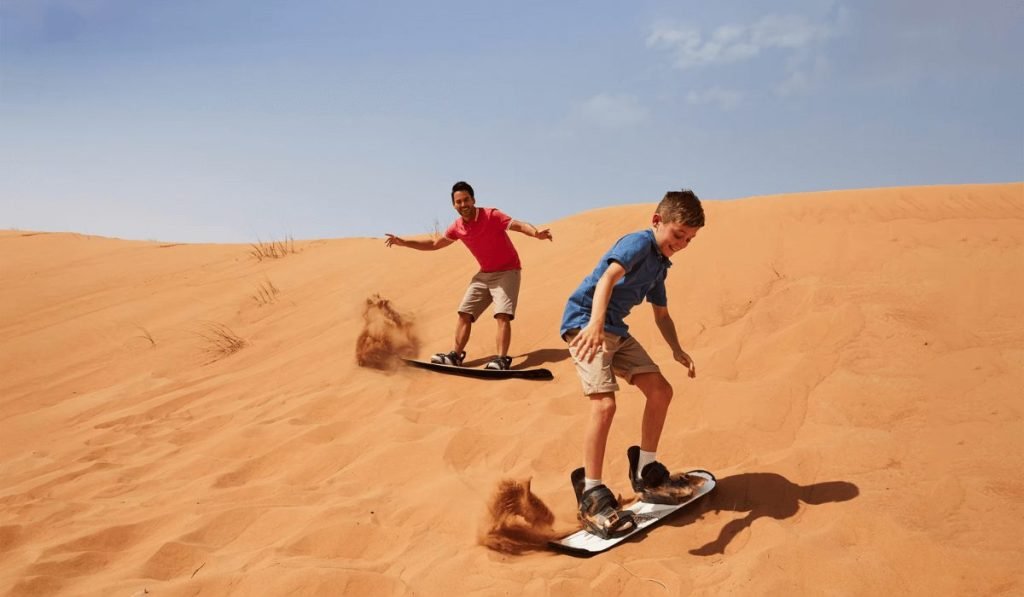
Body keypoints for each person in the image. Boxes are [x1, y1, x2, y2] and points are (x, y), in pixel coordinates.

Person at [559, 189, 705, 539]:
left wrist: (676, 349)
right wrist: (594, 324)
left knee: (661, 391)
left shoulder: (660, 266)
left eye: (690, 238)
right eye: (678, 234)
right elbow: (608, 278)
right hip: (584, 324)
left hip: (614, 331)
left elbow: (662, 315)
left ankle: (645, 469)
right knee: (605, 404)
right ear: (658, 221)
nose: (683, 243)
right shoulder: (638, 243)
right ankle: (592, 493)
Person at [385, 181, 552, 370]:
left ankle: (501, 359)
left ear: (473, 200)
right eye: (459, 202)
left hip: (508, 271)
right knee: (465, 313)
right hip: (484, 274)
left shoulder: (491, 215)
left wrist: (536, 233)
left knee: (502, 315)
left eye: (466, 200)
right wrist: (403, 242)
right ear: (454, 205)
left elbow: (518, 225)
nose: (463, 205)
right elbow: (434, 244)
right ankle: (455, 356)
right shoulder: (457, 227)